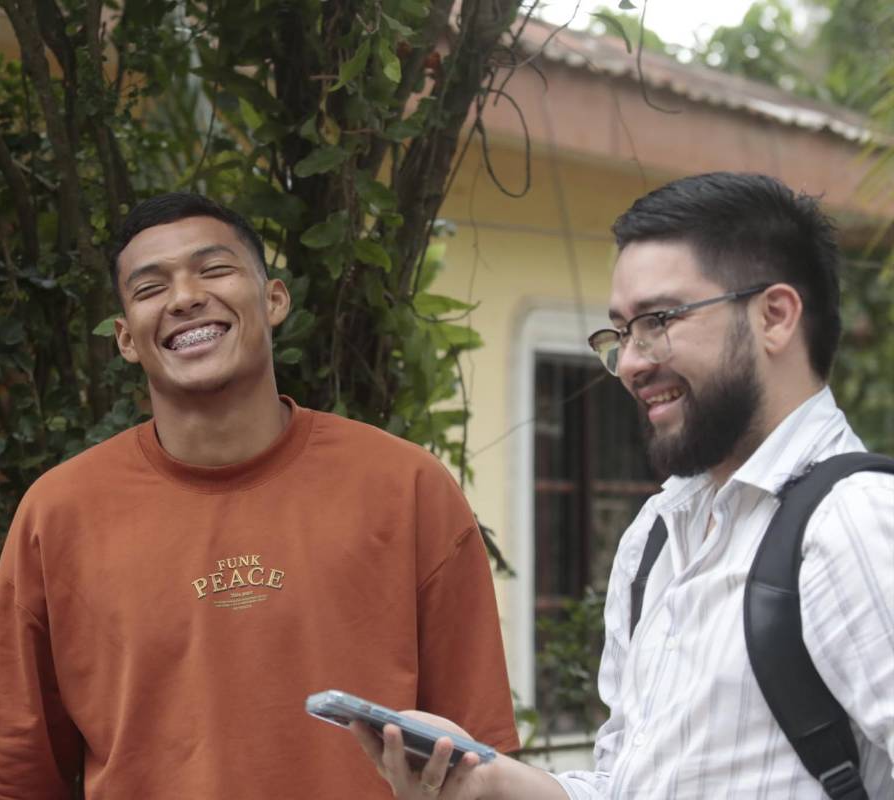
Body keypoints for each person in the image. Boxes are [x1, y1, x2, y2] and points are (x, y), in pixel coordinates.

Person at [0, 192, 520, 799]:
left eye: (214, 269)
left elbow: (482, 764)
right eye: (150, 289)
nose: (185, 297)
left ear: (274, 299)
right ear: (125, 338)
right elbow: (6, 779)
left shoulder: (405, 486)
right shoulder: (59, 514)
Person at [350, 172, 894, 798]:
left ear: (774, 316)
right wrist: (491, 784)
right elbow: (629, 784)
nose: (631, 362)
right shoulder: (657, 537)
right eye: (621, 332)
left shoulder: (853, 523)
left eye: (658, 320)